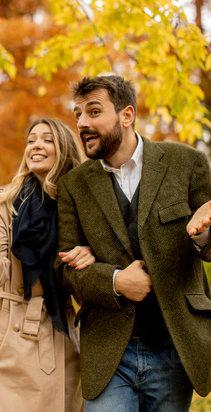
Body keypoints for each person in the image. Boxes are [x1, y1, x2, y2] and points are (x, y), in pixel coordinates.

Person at [54, 75, 211, 412]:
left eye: (93, 112)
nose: (82, 123)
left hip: (174, 347)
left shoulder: (187, 163)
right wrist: (115, 281)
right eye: (78, 113)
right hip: (109, 352)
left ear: (126, 116)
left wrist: (203, 232)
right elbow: (62, 271)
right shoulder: (73, 187)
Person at [0, 118, 95, 412]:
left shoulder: (83, 203)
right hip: (11, 335)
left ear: (64, 149)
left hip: (62, 334)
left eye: (46, 139)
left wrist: (89, 253)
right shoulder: (4, 202)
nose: (36, 146)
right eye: (31, 140)